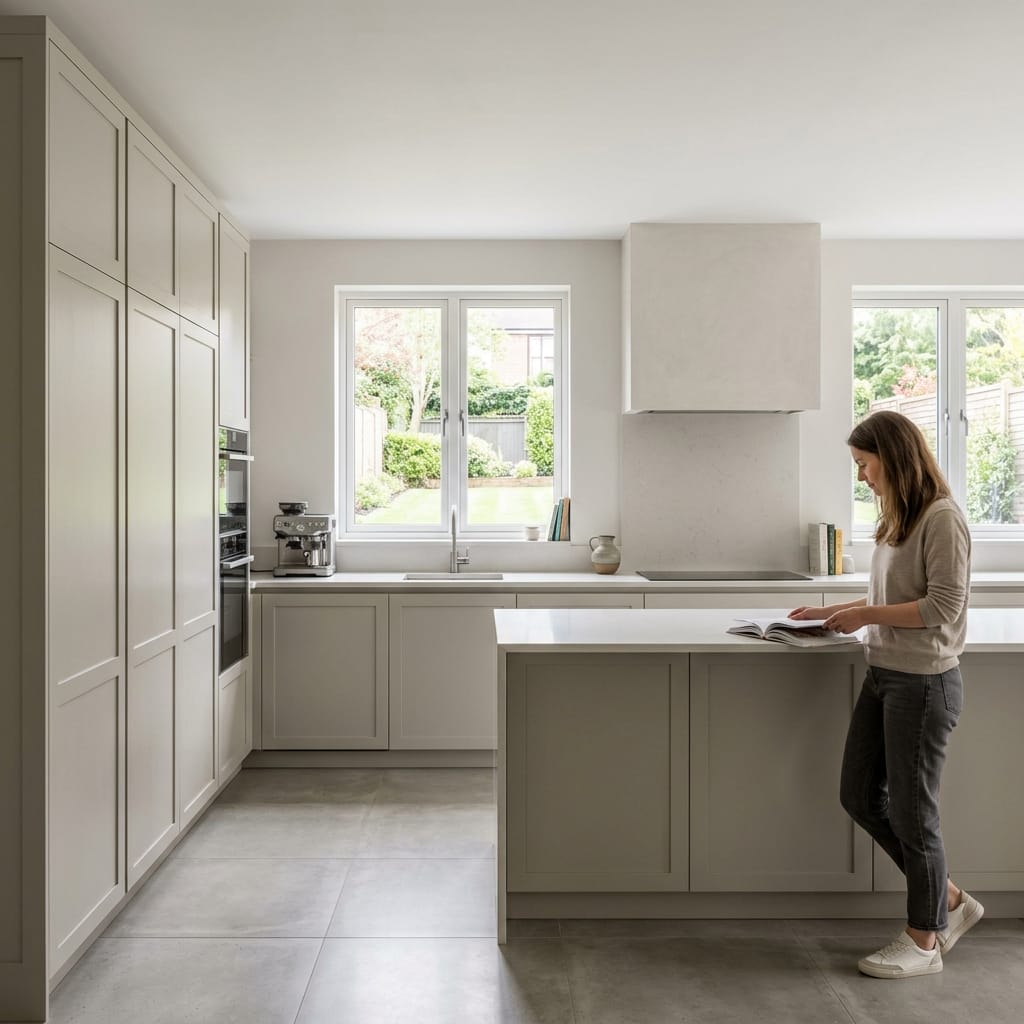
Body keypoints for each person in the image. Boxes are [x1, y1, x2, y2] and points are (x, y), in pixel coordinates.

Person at [791, 410, 982, 979]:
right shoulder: (903, 514)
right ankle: (945, 898)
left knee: (913, 814)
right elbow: (896, 590)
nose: (862, 477)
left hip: (923, 683)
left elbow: (942, 607)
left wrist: (862, 614)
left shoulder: (943, 519)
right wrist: (833, 610)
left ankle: (924, 941)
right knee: (858, 794)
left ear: (892, 456)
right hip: (885, 674)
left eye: (864, 464)